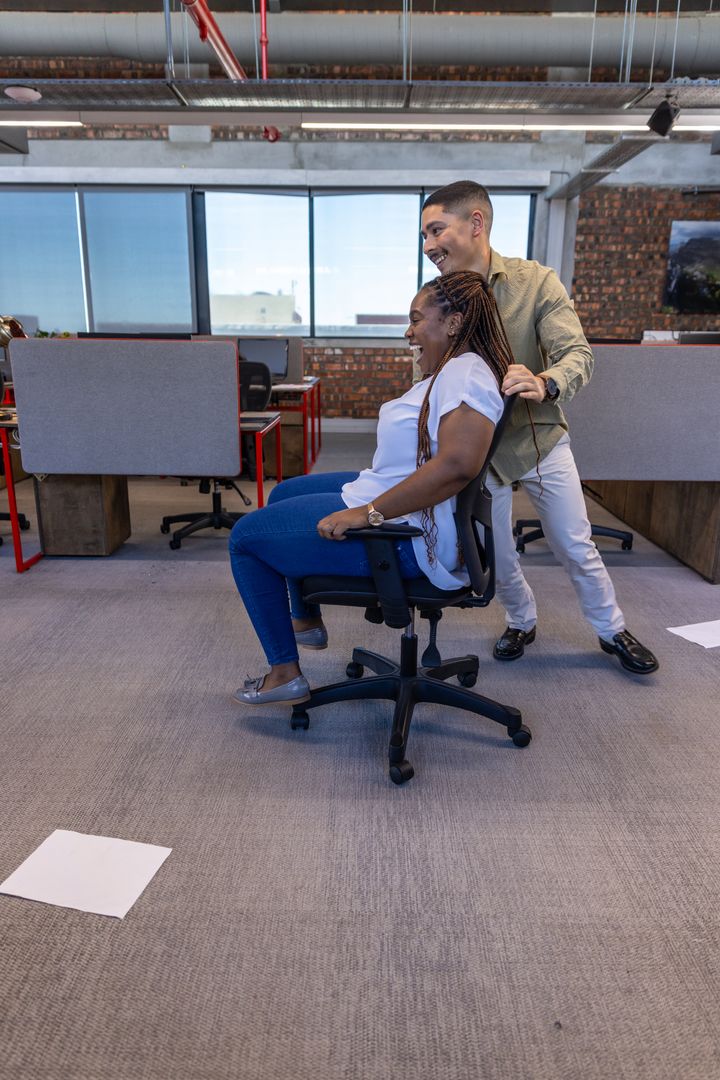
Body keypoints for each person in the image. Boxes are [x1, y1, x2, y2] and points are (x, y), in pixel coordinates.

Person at [229, 271, 511, 706]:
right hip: (405, 506)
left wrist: (367, 513)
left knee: (245, 539)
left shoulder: (466, 373)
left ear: (453, 323)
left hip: (407, 538)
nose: (409, 331)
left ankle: (284, 672)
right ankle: (305, 619)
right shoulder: (455, 370)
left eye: (417, 320)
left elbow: (456, 465)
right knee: (285, 495)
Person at [420, 180, 658, 674]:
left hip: (538, 439)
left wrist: (545, 380)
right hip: (479, 453)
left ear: (476, 224)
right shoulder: (438, 298)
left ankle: (611, 629)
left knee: (575, 543)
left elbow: (578, 355)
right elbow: (427, 370)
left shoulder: (537, 283)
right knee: (500, 555)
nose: (428, 246)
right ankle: (521, 619)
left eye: (436, 230)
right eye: (424, 235)